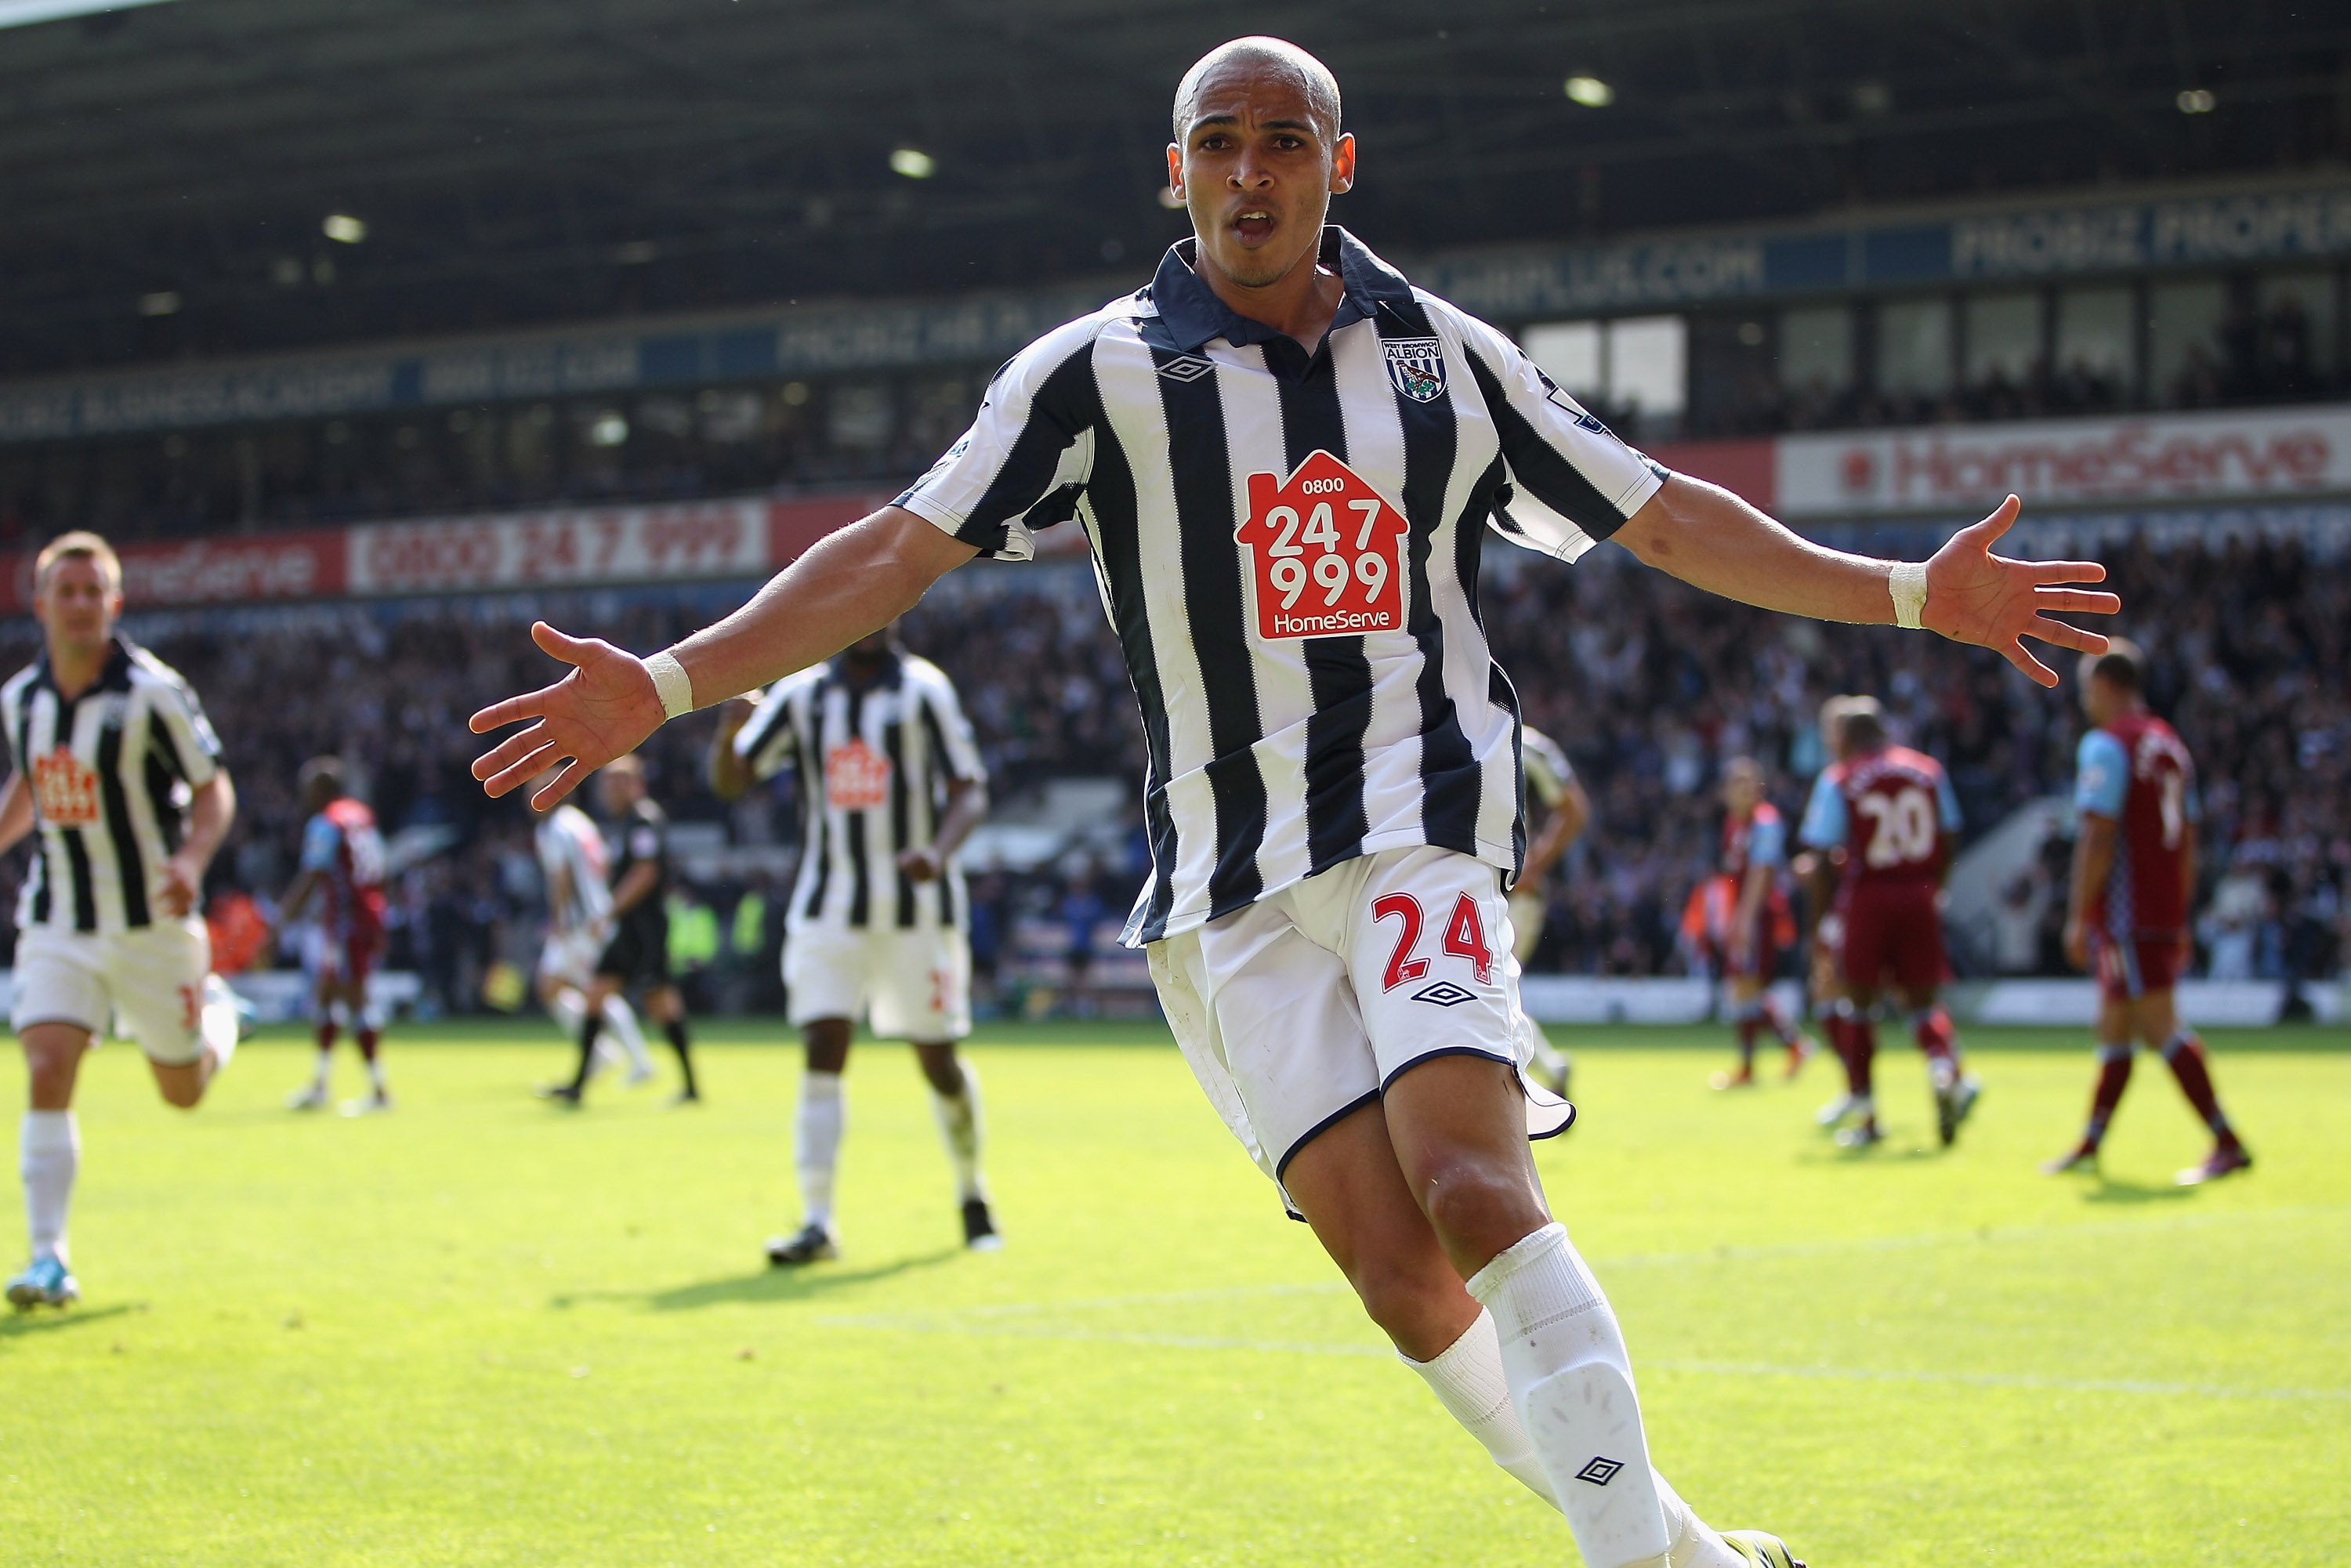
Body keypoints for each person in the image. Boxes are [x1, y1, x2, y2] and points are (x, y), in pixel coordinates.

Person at [469, 38, 2114, 1567]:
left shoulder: (1441, 360)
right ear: (1168, 172)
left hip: (1421, 811)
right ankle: (1686, 1548)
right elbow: (896, 549)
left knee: (1471, 1184)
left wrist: (1909, 593)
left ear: (1342, 162)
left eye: (1283, 142)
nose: (1249, 172)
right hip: (1224, 878)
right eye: (1217, 144)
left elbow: (1663, 514)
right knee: (1399, 1280)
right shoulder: (1090, 376)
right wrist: (675, 681)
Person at [3, 532, 243, 1310]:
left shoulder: (153, 693)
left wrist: (192, 861)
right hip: (59, 917)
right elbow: (32, 786)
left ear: (115, 603)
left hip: (152, 929)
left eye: (92, 591)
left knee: (183, 1091)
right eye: (64, 591)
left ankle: (219, 1016)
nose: (78, 605)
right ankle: (48, 1259)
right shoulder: (20, 702)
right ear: (38, 603)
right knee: (45, 1064)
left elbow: (212, 788)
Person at [711, 627, 996, 1260]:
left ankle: (972, 1190)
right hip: (827, 905)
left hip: (916, 907)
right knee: (821, 1043)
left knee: (938, 1059)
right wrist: (729, 732)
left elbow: (969, 787)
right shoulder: (802, 694)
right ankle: (817, 1222)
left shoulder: (925, 689)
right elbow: (734, 782)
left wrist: (938, 851)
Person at [2045, 640, 2250, 1185]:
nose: (2087, 702)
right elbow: (2188, 837)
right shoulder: (2169, 745)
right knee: (2114, 1022)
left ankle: (2227, 1139)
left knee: (2158, 1024)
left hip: (2126, 909)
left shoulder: (2107, 745)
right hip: (2158, 905)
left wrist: (2078, 915)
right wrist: (2179, 913)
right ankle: (2090, 1143)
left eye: (2089, 689)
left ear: (2108, 685)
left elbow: (2098, 833)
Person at [1798, 701, 1980, 1149]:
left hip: (1868, 897)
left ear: (1845, 738)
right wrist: (1933, 886)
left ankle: (1867, 1116)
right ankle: (1944, 1070)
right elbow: (1951, 832)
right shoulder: (1927, 770)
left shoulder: (1840, 779)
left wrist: (1819, 924)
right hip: (1918, 895)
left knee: (1858, 1006)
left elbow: (1821, 857)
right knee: (1921, 1002)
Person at [545, 755, 699, 1106]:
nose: (611, 790)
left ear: (636, 785)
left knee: (661, 1003)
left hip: (643, 929)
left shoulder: (644, 821)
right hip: (627, 930)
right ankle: (578, 1085)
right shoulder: (626, 824)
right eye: (608, 783)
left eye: (620, 782)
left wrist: (609, 909)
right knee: (597, 994)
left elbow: (645, 874)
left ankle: (691, 1088)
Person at [277, 757, 393, 1114]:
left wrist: (281, 921)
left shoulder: (326, 824)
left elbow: (313, 875)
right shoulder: (362, 816)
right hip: (366, 914)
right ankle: (320, 1085)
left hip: (346, 921)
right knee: (327, 997)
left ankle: (379, 1091)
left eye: (309, 789)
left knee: (355, 1001)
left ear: (323, 789)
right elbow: (379, 867)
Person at [528, 771, 653, 1096]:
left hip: (579, 924)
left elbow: (562, 878)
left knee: (558, 987)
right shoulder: (580, 822)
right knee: (596, 988)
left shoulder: (554, 828)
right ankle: (627, 1058)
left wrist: (557, 924)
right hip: (598, 916)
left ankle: (610, 1055)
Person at [1706, 758, 1813, 1090]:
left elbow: (1760, 874)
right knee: (1747, 990)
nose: (1744, 789)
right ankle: (1792, 1046)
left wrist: (1744, 920)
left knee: (1745, 987)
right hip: (1742, 912)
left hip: (1758, 915)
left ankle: (1754, 1065)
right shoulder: (1733, 824)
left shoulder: (1764, 822)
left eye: (1750, 782)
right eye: (1737, 783)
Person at [1509, 726, 1588, 1098]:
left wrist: (1534, 865)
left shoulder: (1527, 743)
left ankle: (1527, 1084)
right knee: (1496, 990)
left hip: (1515, 895)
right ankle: (1550, 1068)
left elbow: (1574, 808)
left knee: (1494, 987)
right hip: (1466, 887)